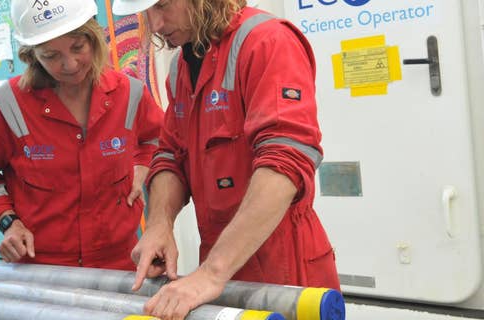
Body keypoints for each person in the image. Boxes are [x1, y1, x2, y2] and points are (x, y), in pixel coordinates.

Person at [112, 0, 341, 318]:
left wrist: (212, 273)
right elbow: (170, 156)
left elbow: (284, 160)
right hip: (219, 263)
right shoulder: (181, 66)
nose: (156, 25)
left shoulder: (267, 41)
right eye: (146, 13)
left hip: (284, 263)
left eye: (163, 6)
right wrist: (160, 225)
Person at [0, 0, 163, 270]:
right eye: (51, 56)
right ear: (32, 56)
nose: (70, 63)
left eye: (78, 47)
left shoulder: (130, 93)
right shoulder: (7, 105)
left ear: (93, 37)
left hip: (118, 264)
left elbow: (159, 137)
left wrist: (142, 163)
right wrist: (8, 221)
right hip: (42, 270)